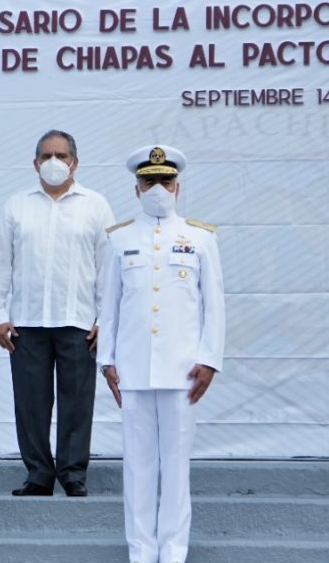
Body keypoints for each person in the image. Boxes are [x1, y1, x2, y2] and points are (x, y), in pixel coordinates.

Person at [97, 145, 225, 563]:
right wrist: (107, 360)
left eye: (164, 181)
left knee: (176, 467)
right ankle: (140, 550)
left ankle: (172, 551)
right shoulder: (120, 238)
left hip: (183, 369)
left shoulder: (200, 237)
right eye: (148, 181)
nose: (157, 189)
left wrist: (209, 359)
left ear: (178, 186)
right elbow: (109, 305)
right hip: (133, 369)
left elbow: (215, 305)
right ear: (136, 188)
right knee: (137, 467)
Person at [0, 129, 115, 497]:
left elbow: (107, 267)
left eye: (61, 155)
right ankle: (39, 475)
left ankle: (73, 473)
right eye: (46, 156)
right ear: (35, 163)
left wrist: (105, 319)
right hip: (26, 323)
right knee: (30, 402)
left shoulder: (96, 205)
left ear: (75, 161)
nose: (54, 162)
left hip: (78, 322)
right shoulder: (17, 205)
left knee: (77, 402)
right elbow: (0, 261)